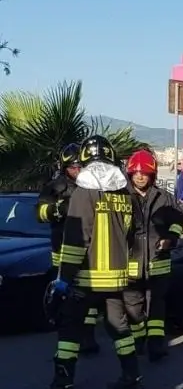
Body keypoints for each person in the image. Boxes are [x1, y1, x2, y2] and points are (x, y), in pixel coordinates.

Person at [50, 135, 144, 389]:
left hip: (86, 278)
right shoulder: (126, 195)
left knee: (70, 330)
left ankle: (63, 380)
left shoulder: (84, 193)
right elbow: (133, 236)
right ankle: (132, 375)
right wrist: (131, 274)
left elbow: (75, 240)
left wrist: (63, 280)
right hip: (116, 279)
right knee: (119, 329)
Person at [38, 143, 102, 357]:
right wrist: (60, 208)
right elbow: (40, 213)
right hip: (62, 250)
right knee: (65, 294)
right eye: (73, 167)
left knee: (89, 295)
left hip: (89, 250)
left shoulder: (95, 187)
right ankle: (64, 333)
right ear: (65, 167)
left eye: (80, 166)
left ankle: (89, 336)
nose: (77, 170)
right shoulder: (55, 187)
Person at [124, 149, 183, 363]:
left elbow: (179, 221)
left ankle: (157, 345)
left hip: (158, 263)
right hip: (130, 263)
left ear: (152, 175)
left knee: (156, 305)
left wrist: (170, 238)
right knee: (133, 306)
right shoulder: (120, 197)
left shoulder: (165, 198)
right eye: (136, 173)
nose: (140, 177)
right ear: (130, 174)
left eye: (145, 173)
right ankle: (138, 340)